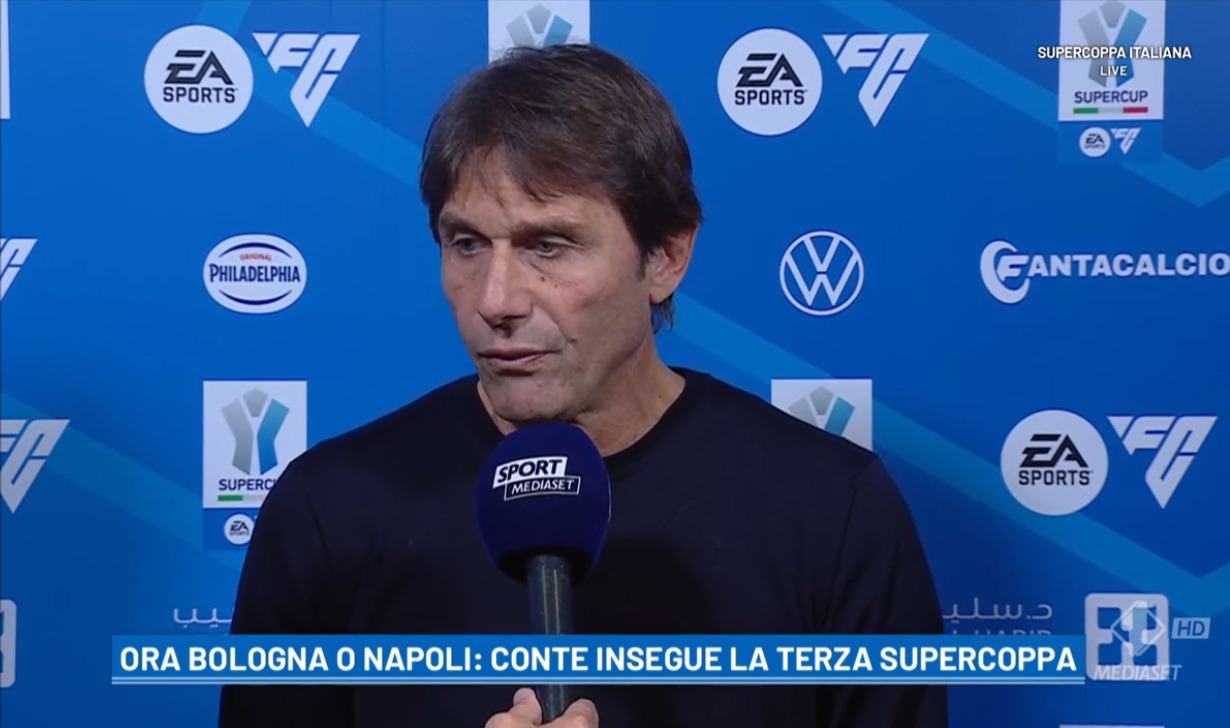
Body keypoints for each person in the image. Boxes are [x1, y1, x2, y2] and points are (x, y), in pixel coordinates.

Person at [218, 43, 947, 728]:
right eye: (466, 243)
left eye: (548, 245)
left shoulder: (831, 509)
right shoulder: (329, 507)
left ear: (666, 256)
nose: (496, 300)